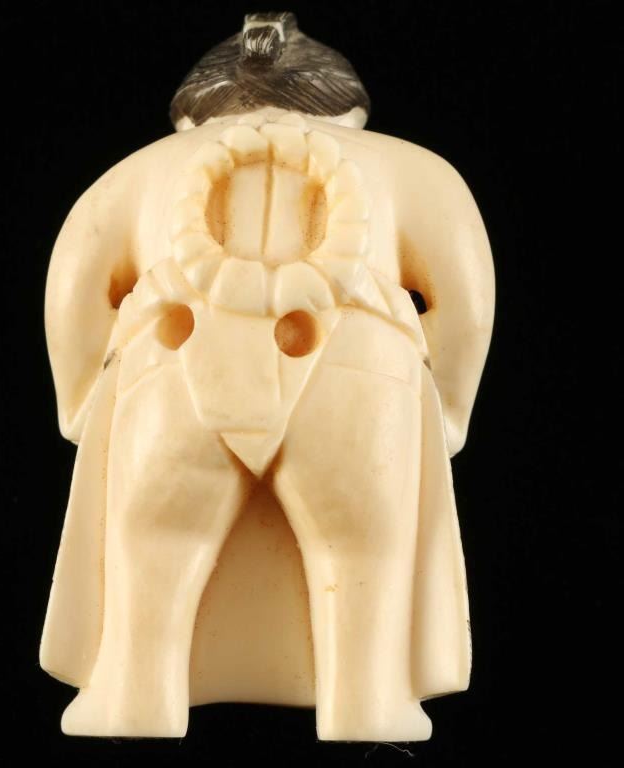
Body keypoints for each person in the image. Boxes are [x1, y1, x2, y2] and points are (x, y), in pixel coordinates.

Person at [40, 11, 495, 742]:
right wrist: (448, 406)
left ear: (196, 112)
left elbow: (74, 287)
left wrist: (81, 401)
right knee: (363, 549)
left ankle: (132, 699)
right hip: (357, 365)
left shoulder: (140, 168)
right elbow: (465, 296)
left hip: (176, 354)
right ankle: (368, 704)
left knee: (153, 541)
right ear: (346, 108)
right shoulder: (413, 168)